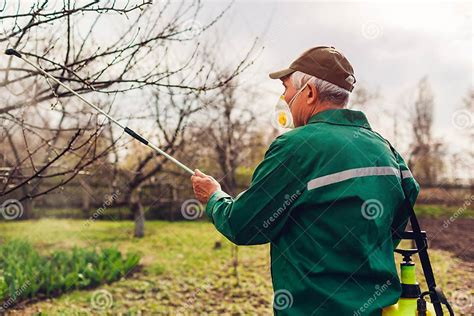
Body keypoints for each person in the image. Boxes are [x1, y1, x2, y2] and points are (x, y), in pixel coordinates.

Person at [191, 46, 419, 315]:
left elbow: (243, 226)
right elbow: (405, 202)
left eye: (286, 88)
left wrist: (214, 197)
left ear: (309, 92)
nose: (284, 98)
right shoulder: (385, 148)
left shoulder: (295, 146)